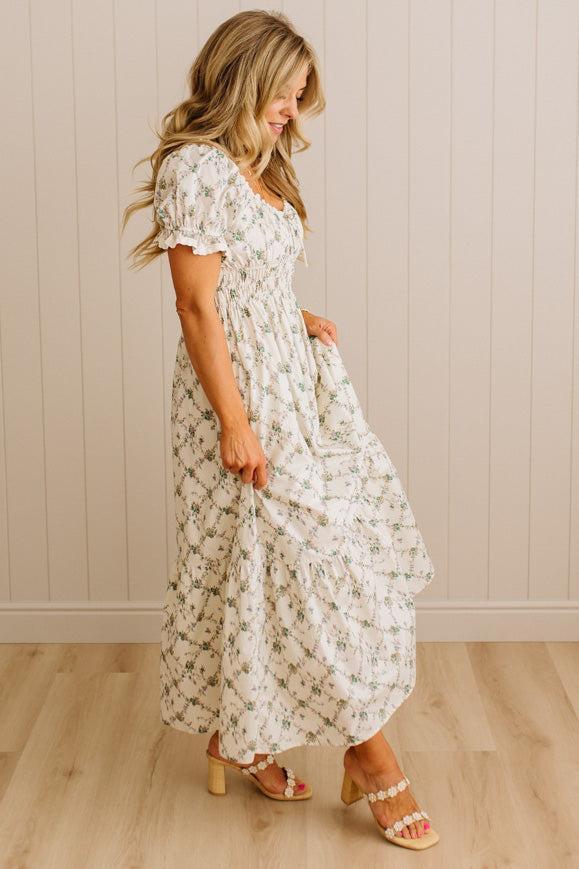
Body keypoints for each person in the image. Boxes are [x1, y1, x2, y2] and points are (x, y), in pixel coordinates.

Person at [123, 9, 438, 852]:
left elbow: (236, 283)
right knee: (300, 571)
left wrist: (289, 315)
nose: (292, 112)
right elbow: (194, 305)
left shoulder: (254, 167)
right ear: (242, 75)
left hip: (288, 390)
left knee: (286, 564)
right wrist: (234, 423)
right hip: (239, 406)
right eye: (284, 94)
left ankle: (242, 733)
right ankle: (372, 759)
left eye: (300, 98)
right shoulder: (197, 167)